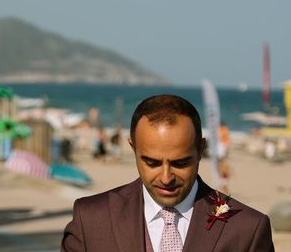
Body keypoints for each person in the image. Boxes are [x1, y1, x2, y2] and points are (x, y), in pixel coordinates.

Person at [61, 94, 274, 252]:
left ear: (201, 150)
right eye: (152, 163)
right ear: (133, 149)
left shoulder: (248, 228)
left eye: (180, 163)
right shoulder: (90, 219)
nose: (166, 178)